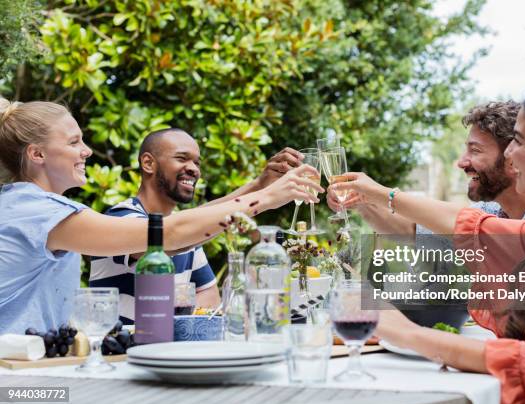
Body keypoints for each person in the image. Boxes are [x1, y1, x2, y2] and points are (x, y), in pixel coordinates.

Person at [331, 78, 525, 404]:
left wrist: (405, 332)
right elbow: (470, 227)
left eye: (519, 141)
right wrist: (369, 198)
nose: (510, 154)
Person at [0, 98, 323, 335]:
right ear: (37, 154)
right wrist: (266, 197)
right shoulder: (34, 212)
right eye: (74, 142)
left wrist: (256, 188)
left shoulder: (34, 207)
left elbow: (181, 225)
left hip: (32, 365)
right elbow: (165, 234)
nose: (86, 150)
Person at [90, 128, 305, 323]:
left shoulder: (189, 235)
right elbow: (171, 235)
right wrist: (264, 196)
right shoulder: (121, 217)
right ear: (148, 163)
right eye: (182, 158)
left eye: (197, 163)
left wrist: (259, 184)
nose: (193, 169)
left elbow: (209, 299)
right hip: (121, 357)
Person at [327, 101, 525, 235]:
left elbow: (464, 223)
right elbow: (411, 230)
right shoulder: (494, 211)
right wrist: (363, 201)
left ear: (511, 156)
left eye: (475, 151)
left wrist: (379, 192)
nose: (461, 162)